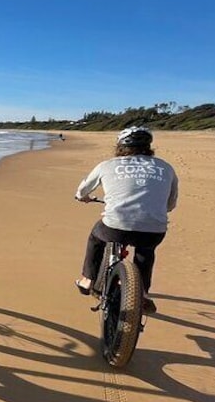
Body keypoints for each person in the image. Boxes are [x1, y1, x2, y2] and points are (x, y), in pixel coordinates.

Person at [74, 126, 178, 313]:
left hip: (115, 226)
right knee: (145, 252)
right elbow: (170, 204)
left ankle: (88, 279)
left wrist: (83, 197)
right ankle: (143, 293)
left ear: (120, 146)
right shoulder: (166, 167)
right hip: (154, 229)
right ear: (148, 147)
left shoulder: (107, 165)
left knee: (96, 237)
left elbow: (82, 191)